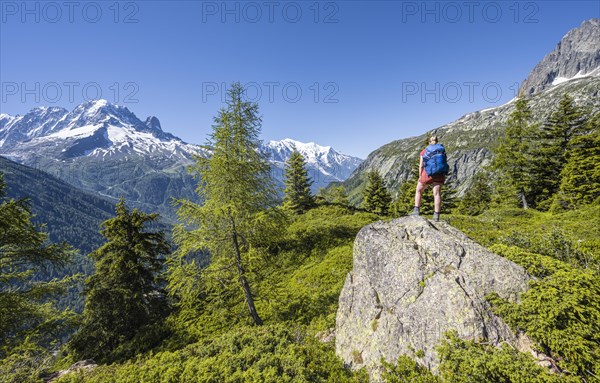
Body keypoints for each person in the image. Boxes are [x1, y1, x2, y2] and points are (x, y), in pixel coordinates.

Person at [411, 135, 445, 221]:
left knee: (418, 191)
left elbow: (421, 165)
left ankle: (416, 211)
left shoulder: (424, 151)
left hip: (427, 174)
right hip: (439, 173)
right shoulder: (441, 150)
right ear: (437, 141)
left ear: (429, 142)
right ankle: (436, 215)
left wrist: (420, 176)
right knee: (437, 194)